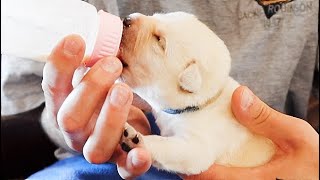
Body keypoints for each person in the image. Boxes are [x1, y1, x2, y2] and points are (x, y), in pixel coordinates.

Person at [1, 0, 318, 179]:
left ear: (188, 79)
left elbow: (194, 155)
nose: (134, 19)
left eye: (157, 39)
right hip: (92, 164)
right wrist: (71, 112)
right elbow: (25, 102)